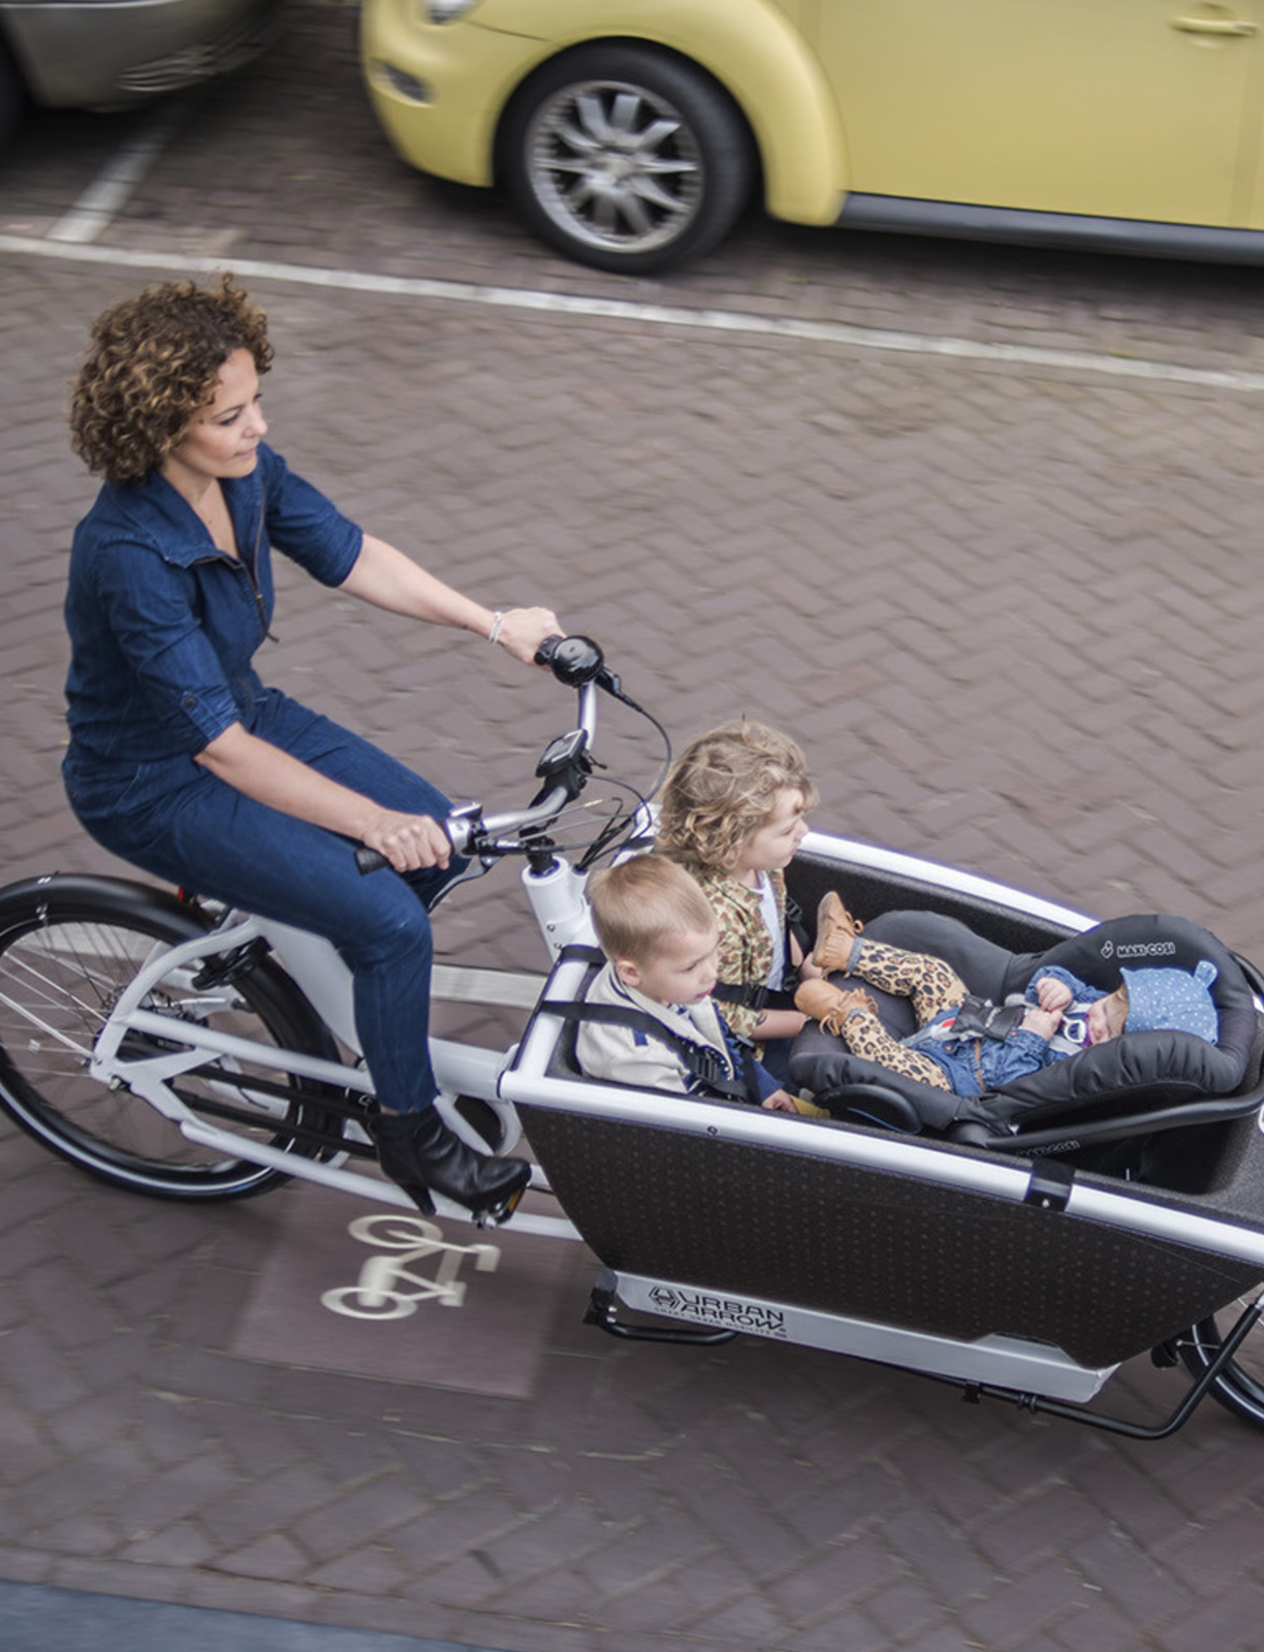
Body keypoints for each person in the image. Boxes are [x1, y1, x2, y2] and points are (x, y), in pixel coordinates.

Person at [62, 273, 562, 1221]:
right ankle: (409, 1135)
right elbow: (218, 752)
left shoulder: (243, 477)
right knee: (389, 922)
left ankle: (315, 981)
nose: (255, 427)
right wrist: (368, 822)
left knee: (437, 845)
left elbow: (350, 551)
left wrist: (496, 625)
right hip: (152, 780)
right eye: (229, 415)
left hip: (246, 715)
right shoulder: (128, 553)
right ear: (163, 428)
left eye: (256, 401)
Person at [795, 893, 1220, 1103]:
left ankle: (846, 1013)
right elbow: (1049, 981)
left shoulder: (1079, 1069)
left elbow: (1015, 1086)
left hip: (957, 1077)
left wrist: (1034, 1037)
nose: (1096, 1013)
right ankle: (844, 950)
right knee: (934, 972)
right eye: (1108, 1002)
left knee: (898, 1066)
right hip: (967, 1018)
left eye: (1109, 1026)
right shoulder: (1092, 1003)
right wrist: (1058, 986)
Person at [576, 855, 812, 1111]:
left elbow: (719, 1037)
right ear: (631, 973)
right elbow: (686, 1131)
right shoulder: (634, 1057)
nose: (712, 973)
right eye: (691, 966)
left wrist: (764, 1088)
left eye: (713, 951)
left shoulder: (673, 983)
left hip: (725, 1081)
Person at [654, 720, 820, 1079]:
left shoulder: (765, 863)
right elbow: (725, 1015)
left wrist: (807, 966)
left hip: (780, 993)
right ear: (731, 841)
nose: (804, 833)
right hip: (755, 1044)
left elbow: (779, 916)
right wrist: (809, 1021)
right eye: (788, 830)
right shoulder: (716, 918)